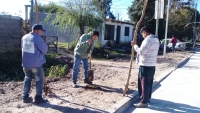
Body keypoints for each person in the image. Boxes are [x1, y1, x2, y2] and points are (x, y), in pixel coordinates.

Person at [131, 26, 159, 108]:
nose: (142, 36)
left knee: (144, 83)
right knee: (148, 83)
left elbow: (142, 52)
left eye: (142, 34)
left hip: (146, 65)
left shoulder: (148, 40)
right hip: (152, 64)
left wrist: (135, 45)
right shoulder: (156, 39)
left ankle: (144, 101)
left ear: (145, 32)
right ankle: (147, 98)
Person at [21, 24, 48, 103]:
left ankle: (25, 97)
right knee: (39, 80)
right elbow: (45, 50)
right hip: (36, 64)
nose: (41, 32)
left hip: (25, 64)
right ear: (36, 30)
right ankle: (38, 98)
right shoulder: (38, 39)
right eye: (41, 31)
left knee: (27, 79)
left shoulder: (24, 37)